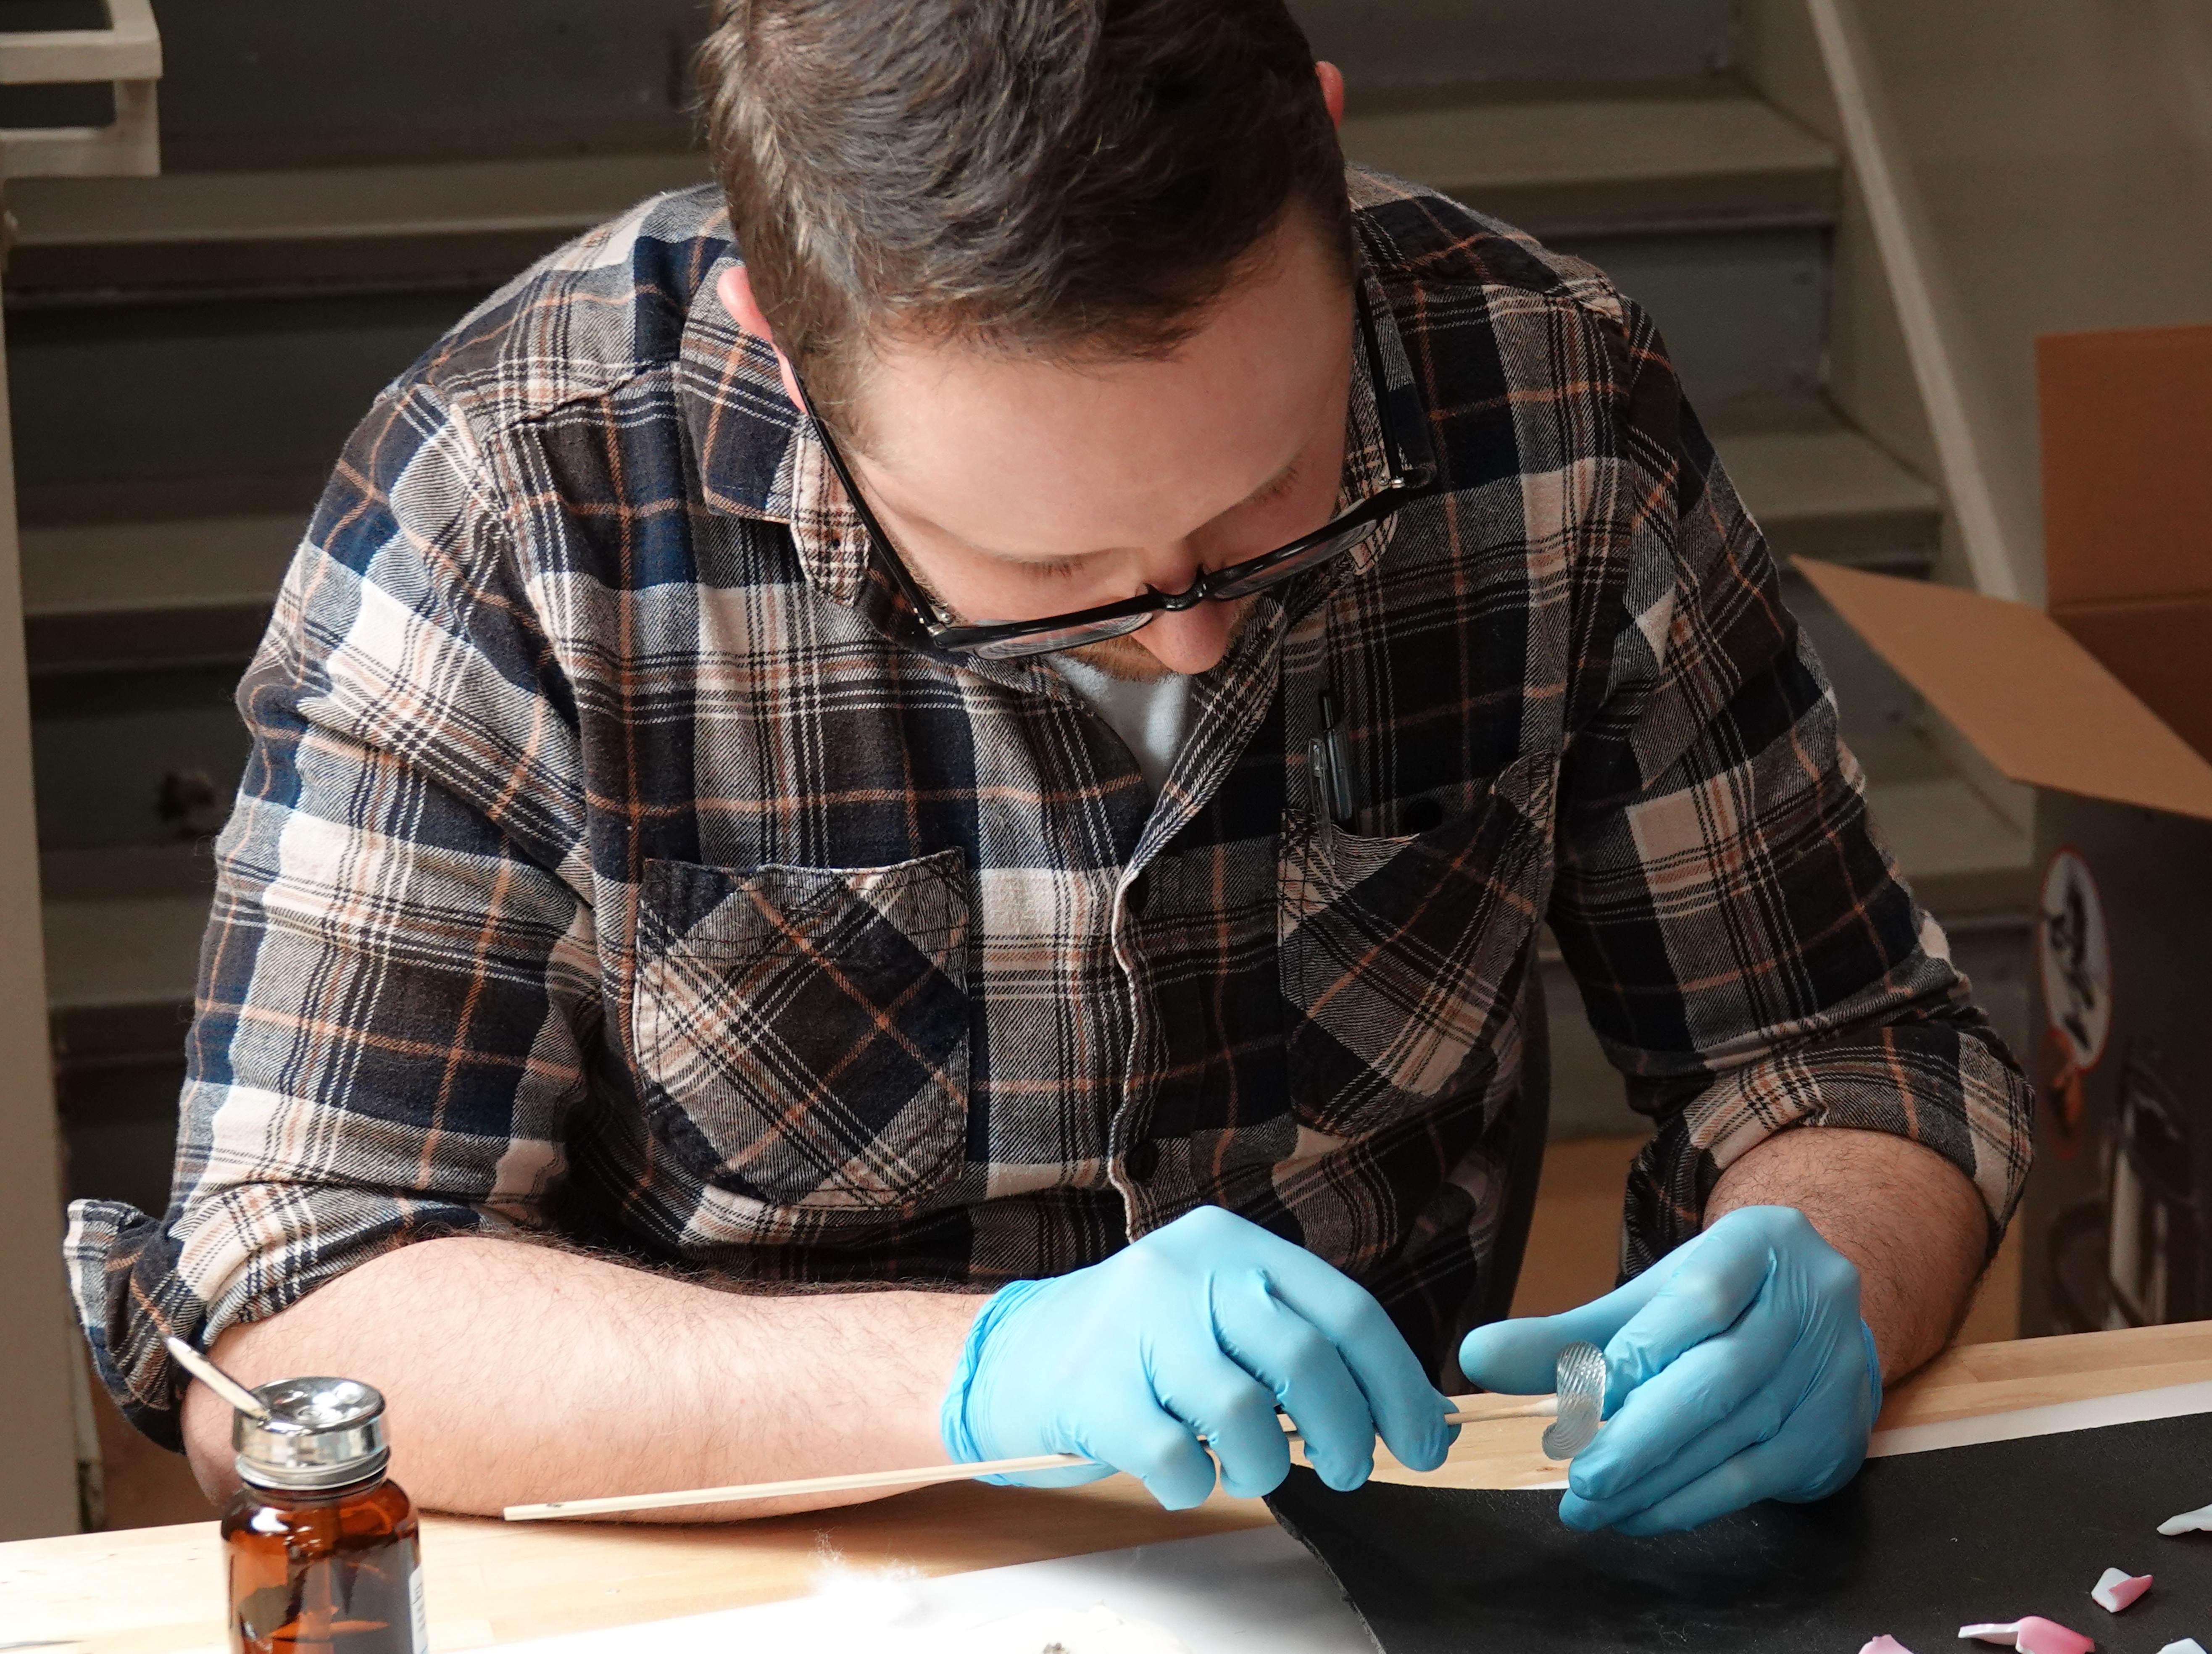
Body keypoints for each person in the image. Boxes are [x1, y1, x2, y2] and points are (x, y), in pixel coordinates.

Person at [63, 0, 2028, 1537]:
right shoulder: (518, 502)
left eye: (1271, 499)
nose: (1183, 629)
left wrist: (1839, 1252)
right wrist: (983, 1373)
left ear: (1323, 166)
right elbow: (297, 1301)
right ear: (786, 336)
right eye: (1043, 572)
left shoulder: (1551, 399)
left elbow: (1855, 1045)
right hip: (740, 1596)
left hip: (1381, 1574)